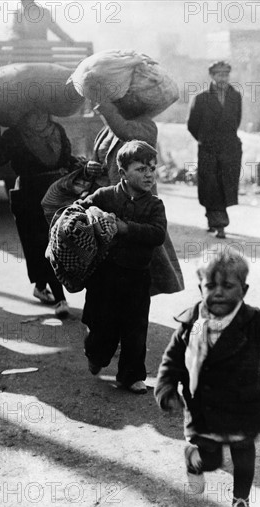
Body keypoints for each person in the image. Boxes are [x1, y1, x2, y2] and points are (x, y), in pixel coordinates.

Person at [154, 251, 260, 507]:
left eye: (228, 286)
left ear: (244, 289)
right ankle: (195, 460)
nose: (218, 293)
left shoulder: (253, 323)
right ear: (200, 287)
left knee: (244, 456)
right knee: (212, 460)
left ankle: (241, 501)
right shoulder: (191, 324)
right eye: (210, 286)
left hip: (242, 407)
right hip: (205, 409)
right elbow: (172, 359)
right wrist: (166, 387)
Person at [0, 109, 97, 318]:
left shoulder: (57, 130)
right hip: (30, 195)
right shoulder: (14, 135)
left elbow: (64, 160)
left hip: (57, 192)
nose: (38, 117)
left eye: (42, 112)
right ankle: (59, 297)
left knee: (58, 241)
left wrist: (81, 164)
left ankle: (44, 288)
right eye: (31, 113)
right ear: (23, 114)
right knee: (39, 244)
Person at [77, 141, 166, 394]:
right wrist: (89, 214)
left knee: (135, 330)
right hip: (104, 277)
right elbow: (81, 209)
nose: (149, 174)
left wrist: (127, 228)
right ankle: (95, 353)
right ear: (123, 172)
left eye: (152, 168)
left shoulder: (154, 205)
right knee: (101, 326)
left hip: (137, 278)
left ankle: (131, 375)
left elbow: (158, 234)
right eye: (141, 169)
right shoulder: (105, 196)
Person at [88, 100, 184, 296]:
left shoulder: (145, 125)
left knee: (136, 265)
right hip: (108, 203)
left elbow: (126, 133)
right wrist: (91, 167)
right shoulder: (105, 131)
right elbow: (99, 157)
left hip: (138, 204)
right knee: (104, 265)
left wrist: (105, 106)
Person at [187, 61, 243, 239]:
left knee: (224, 185)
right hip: (208, 149)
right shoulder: (201, 98)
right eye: (219, 75)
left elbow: (236, 121)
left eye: (225, 75)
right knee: (211, 186)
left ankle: (216, 221)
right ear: (212, 76)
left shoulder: (236, 97)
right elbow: (192, 125)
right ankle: (219, 224)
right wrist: (205, 140)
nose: (223, 79)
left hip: (229, 149)